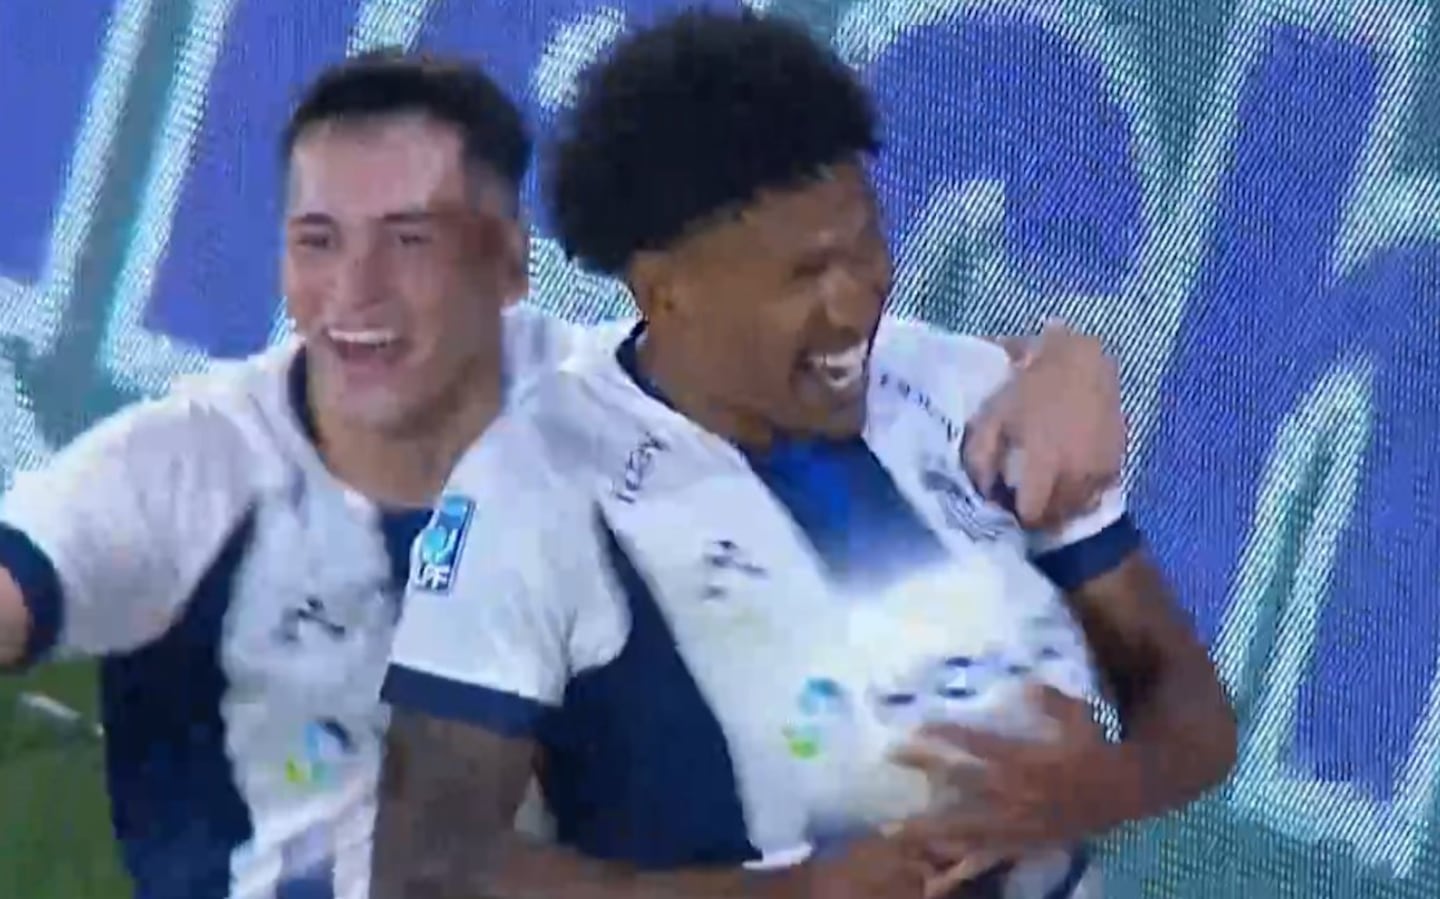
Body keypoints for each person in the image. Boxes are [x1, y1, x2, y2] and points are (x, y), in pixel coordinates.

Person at [0, 50, 1129, 899]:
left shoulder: (600, 394)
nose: (357, 294)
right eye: (318, 240)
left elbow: (934, 376)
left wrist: (1067, 367)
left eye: (411, 241)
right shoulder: (180, 473)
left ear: (506, 264)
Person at [373, 10, 1236, 899]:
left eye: (864, 244)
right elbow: (426, 864)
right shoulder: (535, 489)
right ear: (667, 291)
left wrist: (1098, 786)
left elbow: (1190, 711)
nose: (856, 301)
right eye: (805, 274)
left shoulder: (967, 390)